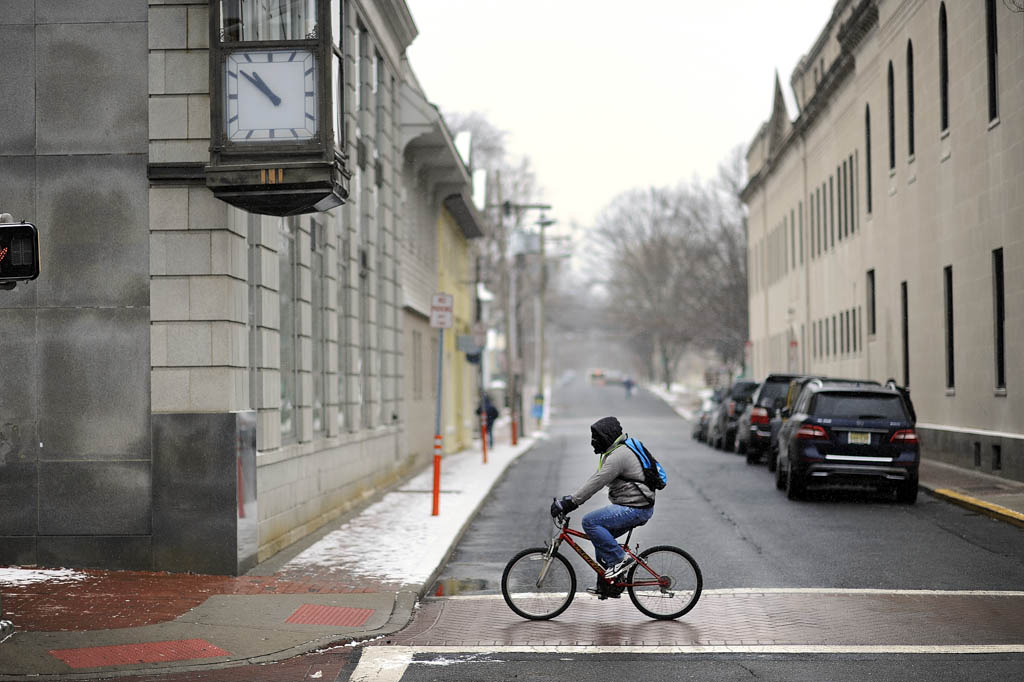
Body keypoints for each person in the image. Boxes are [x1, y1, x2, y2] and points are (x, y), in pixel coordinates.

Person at [549, 416, 655, 599]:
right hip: (634, 505)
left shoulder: (619, 456)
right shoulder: (615, 452)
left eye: (596, 438)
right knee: (601, 541)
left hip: (636, 508)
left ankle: (620, 560)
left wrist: (571, 502)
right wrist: (571, 498)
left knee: (590, 522)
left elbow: (598, 482)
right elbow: (596, 478)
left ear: (606, 437)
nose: (593, 443)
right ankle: (609, 585)